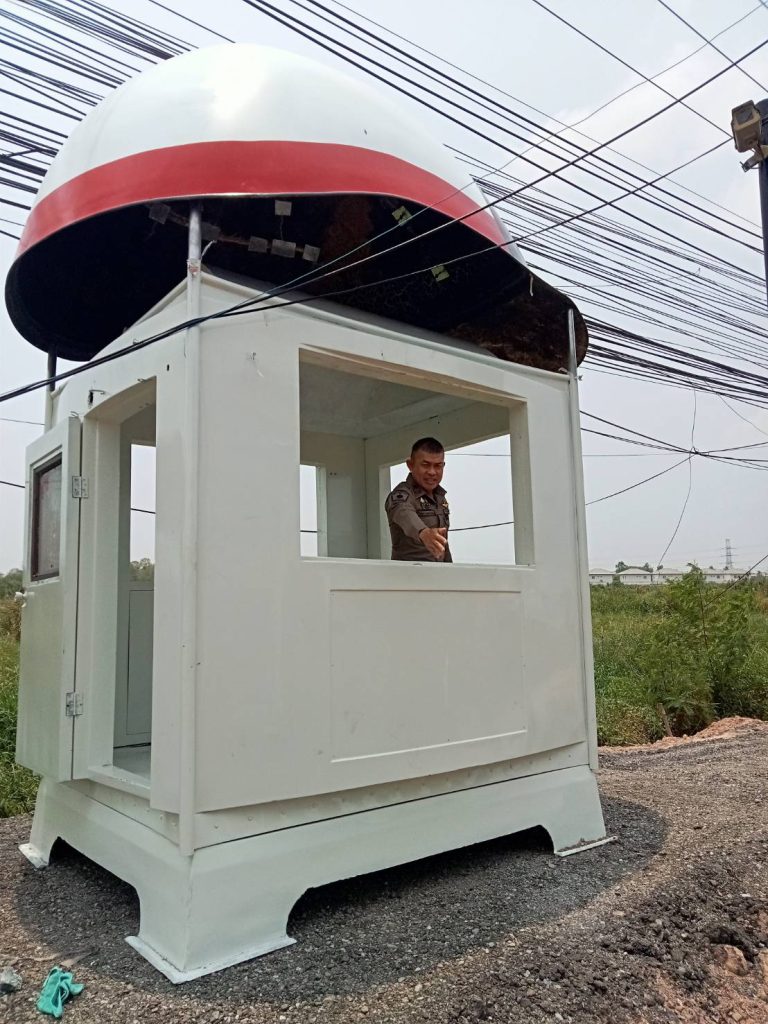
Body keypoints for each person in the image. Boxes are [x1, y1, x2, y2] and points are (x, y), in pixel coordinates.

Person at [385, 437, 452, 562]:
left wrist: (450, 570)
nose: (432, 472)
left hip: (439, 572)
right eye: (425, 465)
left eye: (438, 466)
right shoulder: (402, 495)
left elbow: (443, 546)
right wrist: (424, 533)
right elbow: (403, 512)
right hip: (409, 572)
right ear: (410, 465)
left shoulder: (440, 498)